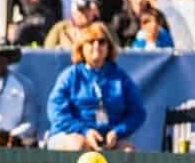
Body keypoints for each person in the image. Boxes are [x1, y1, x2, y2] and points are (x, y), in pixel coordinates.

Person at [45, 22, 145, 152]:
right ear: (81, 47)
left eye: (101, 42)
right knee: (78, 145)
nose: (96, 46)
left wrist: (117, 132)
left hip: (109, 137)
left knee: (127, 151)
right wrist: (84, 131)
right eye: (91, 42)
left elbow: (137, 112)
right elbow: (56, 112)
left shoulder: (120, 77)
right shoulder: (70, 76)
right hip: (72, 133)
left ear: (109, 47)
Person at [43, 0, 119, 49]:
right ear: (73, 12)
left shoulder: (104, 29)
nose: (85, 14)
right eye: (81, 10)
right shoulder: (60, 28)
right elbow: (47, 51)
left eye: (88, 9)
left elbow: (117, 51)